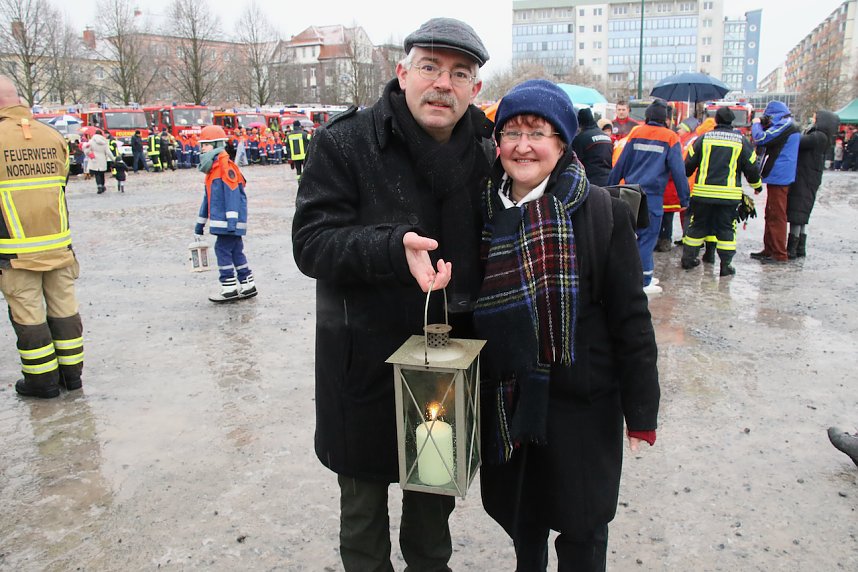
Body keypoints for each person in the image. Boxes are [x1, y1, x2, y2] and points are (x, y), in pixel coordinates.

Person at [291, 18, 494, 571]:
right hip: (362, 362)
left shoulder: (489, 149)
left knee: (432, 513)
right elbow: (310, 243)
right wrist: (390, 249)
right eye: (430, 67)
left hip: (443, 364)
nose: (442, 84)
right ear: (402, 72)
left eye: (459, 73)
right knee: (362, 516)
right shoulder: (346, 142)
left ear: (475, 88)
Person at [475, 79, 659, 571]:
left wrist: (641, 409)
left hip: (582, 405)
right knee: (524, 524)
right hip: (508, 401)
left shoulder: (602, 212)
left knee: (582, 530)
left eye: (537, 131)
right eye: (511, 131)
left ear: (561, 142)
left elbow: (631, 320)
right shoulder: (483, 211)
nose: (523, 144)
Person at [0, 75, 84, 398]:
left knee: (29, 315)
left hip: (14, 252)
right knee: (64, 309)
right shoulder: (53, 137)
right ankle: (72, 377)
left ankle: (43, 382)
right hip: (58, 245)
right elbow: (60, 186)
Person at [608, 98, 689, 294]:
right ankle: (643, 281)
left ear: (647, 116)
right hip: (652, 197)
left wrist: (608, 188)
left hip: (630, 193)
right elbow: (678, 171)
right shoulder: (670, 138)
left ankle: (623, 276)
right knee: (646, 239)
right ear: (665, 119)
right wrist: (684, 199)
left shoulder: (637, 133)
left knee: (627, 236)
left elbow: (621, 164)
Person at [681, 107, 762, 276]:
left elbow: (688, 164)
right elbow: (752, 167)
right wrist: (757, 186)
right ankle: (725, 266)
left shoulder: (704, 138)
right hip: (728, 196)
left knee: (697, 226)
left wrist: (686, 177)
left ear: (716, 121)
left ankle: (688, 260)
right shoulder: (740, 140)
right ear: (731, 121)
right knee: (726, 230)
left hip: (703, 194)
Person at [194, 125, 257, 302]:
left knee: (222, 250)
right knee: (236, 251)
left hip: (228, 224)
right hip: (226, 223)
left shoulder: (224, 168)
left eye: (205, 145)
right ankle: (247, 284)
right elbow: (207, 199)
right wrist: (199, 224)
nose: (202, 149)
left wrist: (231, 222)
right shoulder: (214, 169)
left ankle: (228, 287)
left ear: (215, 145)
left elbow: (232, 196)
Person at [749, 100, 800, 263]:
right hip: (778, 174)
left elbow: (761, 138)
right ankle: (770, 249)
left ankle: (778, 253)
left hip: (779, 175)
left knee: (777, 214)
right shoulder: (787, 124)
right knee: (771, 213)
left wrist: (756, 124)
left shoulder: (785, 124)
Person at [786, 110, 839, 259]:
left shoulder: (817, 136)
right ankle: (800, 247)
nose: (813, 118)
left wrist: (792, 129)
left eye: (816, 117)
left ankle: (792, 248)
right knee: (801, 213)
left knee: (797, 212)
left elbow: (798, 142)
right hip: (809, 177)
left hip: (804, 177)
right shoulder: (822, 137)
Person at [571, 107, 612, 186]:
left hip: (592, 181)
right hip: (609, 180)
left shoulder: (582, 137)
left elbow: (575, 160)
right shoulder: (605, 136)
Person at [84, 128, 114, 194]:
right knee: (102, 173)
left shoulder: (91, 141)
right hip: (102, 159)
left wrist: (90, 154)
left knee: (97, 174)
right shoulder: (105, 142)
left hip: (94, 159)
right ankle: (103, 186)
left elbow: (86, 150)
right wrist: (113, 159)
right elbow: (108, 152)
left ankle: (99, 187)